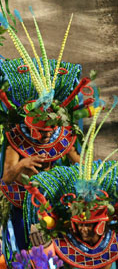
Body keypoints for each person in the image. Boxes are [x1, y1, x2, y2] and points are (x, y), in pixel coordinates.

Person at [0, 11, 100, 263]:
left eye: (50, 130)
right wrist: (23, 164)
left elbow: (77, 159)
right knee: (26, 252)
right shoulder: (16, 138)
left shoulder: (61, 136)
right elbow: (6, 176)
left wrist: (92, 176)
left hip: (52, 202)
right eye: (42, 131)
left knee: (54, 252)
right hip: (22, 202)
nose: (47, 135)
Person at [23, 99, 118, 269]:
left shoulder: (113, 242)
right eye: (81, 225)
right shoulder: (62, 246)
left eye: (88, 226)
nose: (83, 230)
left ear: (101, 224)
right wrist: (42, 255)